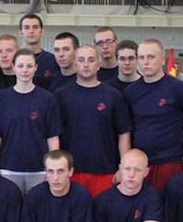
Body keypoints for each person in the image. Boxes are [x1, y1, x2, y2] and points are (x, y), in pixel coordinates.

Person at [125, 39, 183, 193]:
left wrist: (182, 138)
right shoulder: (130, 92)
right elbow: (124, 130)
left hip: (168, 162)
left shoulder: (178, 88)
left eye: (151, 57)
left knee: (168, 214)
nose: (145, 62)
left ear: (162, 59)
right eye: (142, 57)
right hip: (139, 164)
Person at [55, 45, 131, 197]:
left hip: (105, 170)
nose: (85, 64)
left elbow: (124, 134)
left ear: (98, 65)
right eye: (81, 60)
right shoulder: (60, 96)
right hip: (71, 171)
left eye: (91, 60)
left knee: (103, 219)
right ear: (75, 65)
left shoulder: (113, 96)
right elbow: (53, 136)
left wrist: (124, 168)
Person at [0, 48, 62, 195]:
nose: (25, 70)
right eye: (21, 66)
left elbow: (52, 138)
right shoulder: (0, 99)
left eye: (29, 66)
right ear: (14, 67)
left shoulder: (47, 99)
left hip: (39, 171)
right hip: (8, 169)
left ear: (36, 68)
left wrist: (53, 168)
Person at [16, 13, 61, 88]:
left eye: (35, 27)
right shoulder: (14, 60)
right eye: (27, 27)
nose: (31, 31)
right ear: (20, 32)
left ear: (42, 31)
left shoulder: (53, 60)